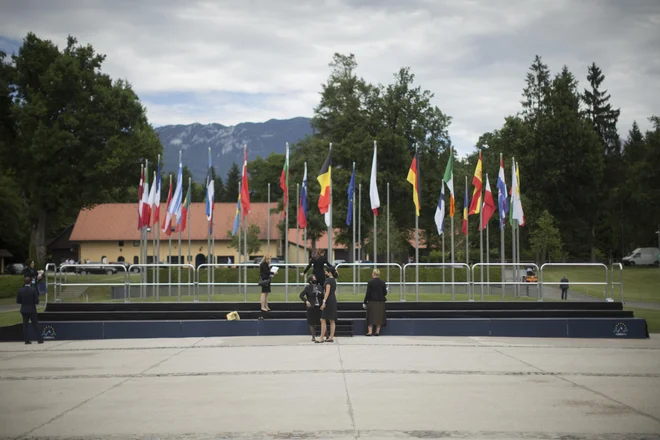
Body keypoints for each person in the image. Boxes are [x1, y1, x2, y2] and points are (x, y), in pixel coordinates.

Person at [16, 276, 43, 345]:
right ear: (30, 282)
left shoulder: (20, 290)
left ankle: (26, 340)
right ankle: (39, 339)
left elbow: (18, 301)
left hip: (24, 309)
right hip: (32, 309)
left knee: (25, 325)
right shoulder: (33, 290)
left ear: (24, 282)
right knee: (35, 324)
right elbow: (36, 301)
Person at [363, 269, 387, 336]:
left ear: (373, 274)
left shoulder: (370, 282)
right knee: (379, 317)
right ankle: (377, 332)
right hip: (380, 302)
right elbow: (385, 293)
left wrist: (364, 302)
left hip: (372, 302)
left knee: (370, 317)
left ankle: (370, 332)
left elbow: (368, 293)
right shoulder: (382, 282)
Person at [299, 275, 323, 342]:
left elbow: (322, 296)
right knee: (311, 322)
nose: (315, 279)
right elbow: (301, 295)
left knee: (322, 321)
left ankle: (324, 335)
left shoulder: (319, 286)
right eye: (313, 278)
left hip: (319, 306)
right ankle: (313, 336)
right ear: (310, 281)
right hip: (311, 307)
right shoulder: (308, 287)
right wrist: (306, 301)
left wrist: (323, 303)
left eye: (315, 278)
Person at [318, 266, 338, 343]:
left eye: (326, 271)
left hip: (329, 301)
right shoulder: (334, 280)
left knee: (323, 319)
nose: (325, 273)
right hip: (333, 300)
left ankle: (321, 337)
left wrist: (324, 302)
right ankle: (331, 337)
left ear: (329, 273)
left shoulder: (328, 281)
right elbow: (334, 292)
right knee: (332, 320)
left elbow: (327, 292)